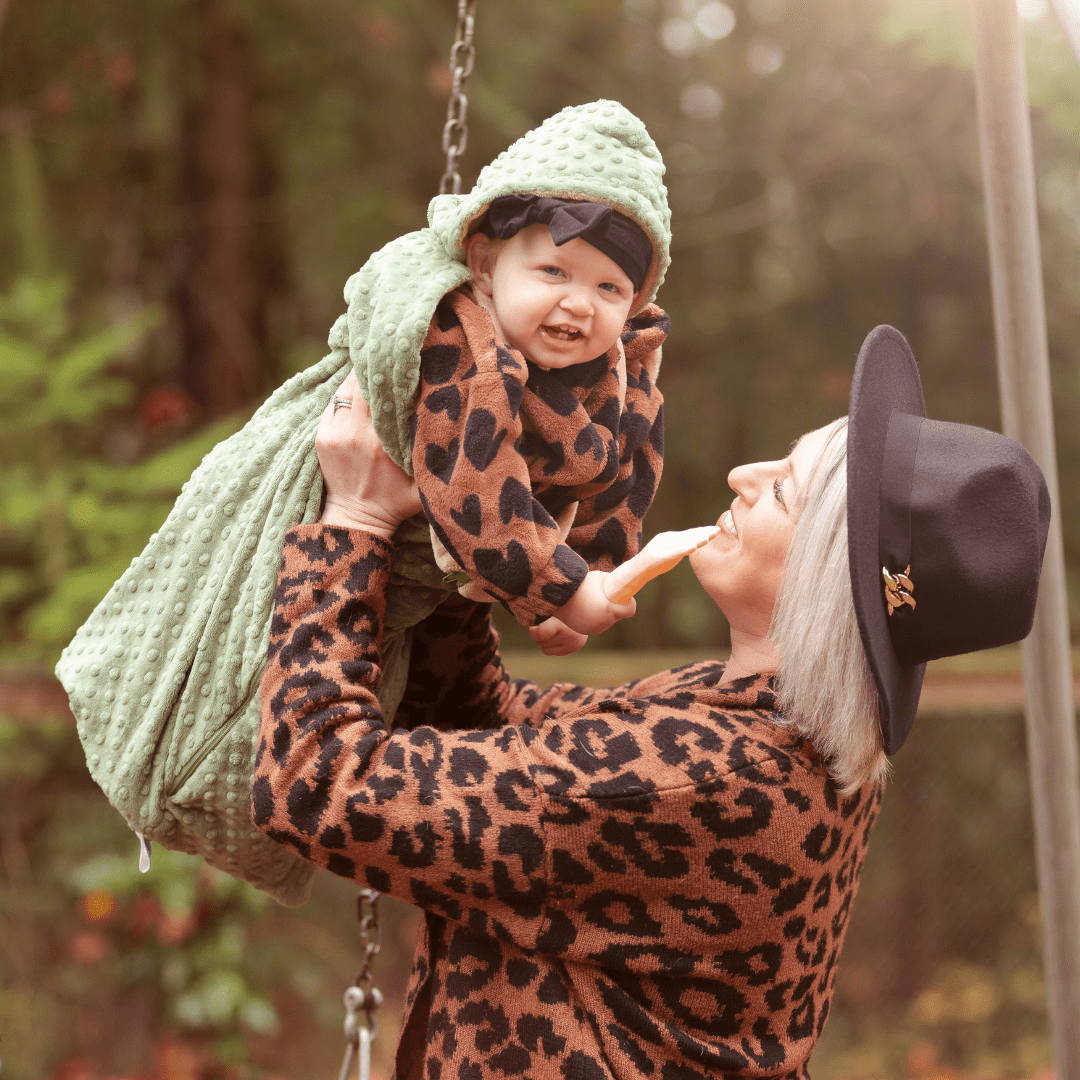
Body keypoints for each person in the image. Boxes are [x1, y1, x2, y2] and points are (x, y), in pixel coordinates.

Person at [252, 326, 1049, 1077]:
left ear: (823, 574)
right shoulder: (755, 727)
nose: (745, 478)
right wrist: (486, 545)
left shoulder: (706, 778)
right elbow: (483, 735)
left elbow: (316, 783)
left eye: (783, 490)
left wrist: (352, 522)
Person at [327, 100, 672, 731]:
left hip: (451, 597)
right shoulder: (461, 338)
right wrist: (563, 590)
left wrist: (594, 575)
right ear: (485, 265)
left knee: (424, 713)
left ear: (636, 301)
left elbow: (629, 470)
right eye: (552, 271)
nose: (579, 304)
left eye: (609, 288)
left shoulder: (622, 368)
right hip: (347, 548)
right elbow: (473, 481)